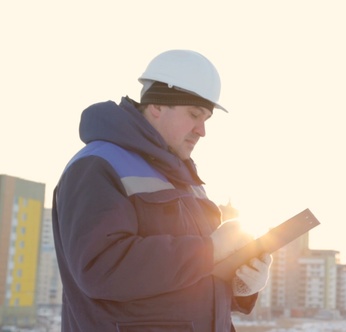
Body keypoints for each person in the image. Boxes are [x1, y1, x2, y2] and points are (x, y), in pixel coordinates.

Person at [52, 50, 272, 331]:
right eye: (194, 115)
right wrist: (210, 249)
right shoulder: (98, 165)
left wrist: (240, 282)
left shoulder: (186, 179)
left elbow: (191, 277)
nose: (202, 130)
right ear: (156, 105)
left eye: (206, 119)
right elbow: (101, 268)